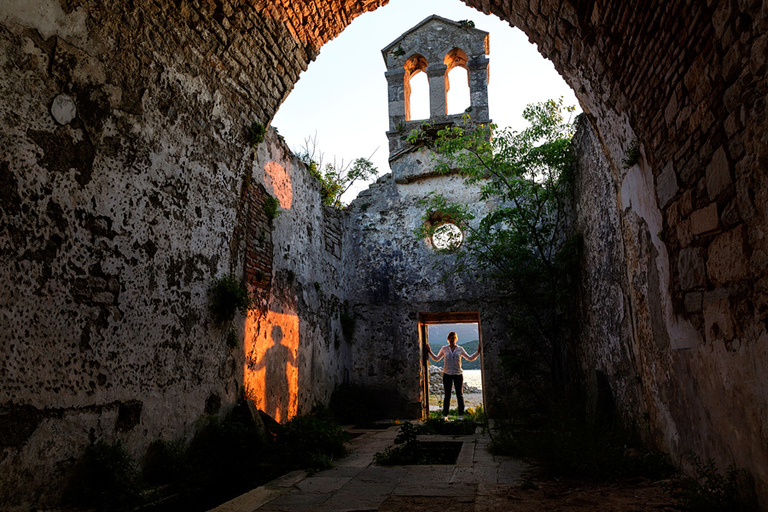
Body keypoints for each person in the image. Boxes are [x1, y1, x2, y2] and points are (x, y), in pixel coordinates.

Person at [428, 331, 480, 420]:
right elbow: (436, 358)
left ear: (456, 339)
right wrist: (429, 351)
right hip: (447, 374)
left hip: (458, 374)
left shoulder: (460, 349)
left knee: (459, 395)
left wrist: (478, 352)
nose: (452, 339)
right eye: (451, 338)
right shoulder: (444, 349)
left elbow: (470, 358)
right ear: (448, 339)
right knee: (447, 395)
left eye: (454, 338)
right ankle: (445, 415)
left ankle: (461, 415)